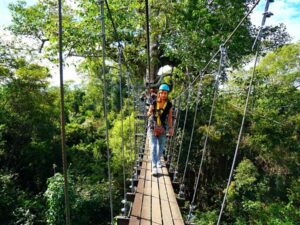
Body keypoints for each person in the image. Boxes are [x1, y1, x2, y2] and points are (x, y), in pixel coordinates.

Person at [147, 84, 174, 175]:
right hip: (152, 126)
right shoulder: (154, 101)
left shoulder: (169, 104)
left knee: (162, 146)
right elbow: (149, 113)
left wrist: (171, 128)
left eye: (165, 93)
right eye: (162, 93)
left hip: (162, 127)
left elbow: (170, 117)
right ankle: (154, 167)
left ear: (167, 94)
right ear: (159, 93)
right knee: (154, 146)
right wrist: (150, 111)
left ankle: (158, 161)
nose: (163, 95)